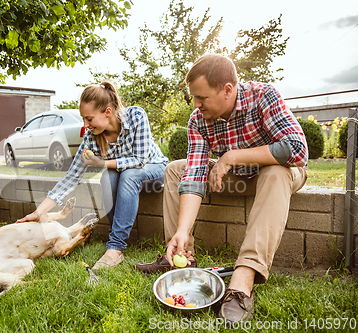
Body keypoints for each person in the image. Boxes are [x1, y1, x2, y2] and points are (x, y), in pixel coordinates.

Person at [136, 54, 308, 323]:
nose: (196, 104)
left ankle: (244, 276)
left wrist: (232, 156)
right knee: (175, 169)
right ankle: (182, 255)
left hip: (276, 175)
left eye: (202, 98)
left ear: (228, 90)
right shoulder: (198, 120)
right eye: (194, 97)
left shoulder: (263, 96)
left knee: (275, 172)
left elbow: (297, 149)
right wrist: (182, 230)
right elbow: (193, 175)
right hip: (234, 176)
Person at [17, 81, 168, 270]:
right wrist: (38, 212)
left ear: (107, 111)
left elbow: (140, 160)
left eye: (89, 119)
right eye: (83, 119)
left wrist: (102, 163)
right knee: (107, 176)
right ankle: (117, 242)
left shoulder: (136, 116)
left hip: (156, 168)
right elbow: (71, 178)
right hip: (129, 177)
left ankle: (115, 248)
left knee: (127, 174)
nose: (85, 125)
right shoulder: (92, 138)